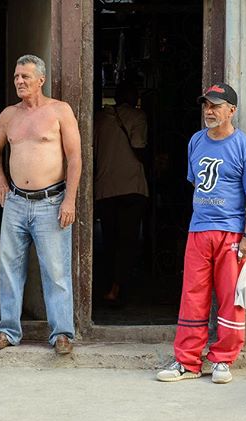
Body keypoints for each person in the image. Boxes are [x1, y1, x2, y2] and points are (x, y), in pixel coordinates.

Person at [156, 83, 246, 384]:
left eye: (216, 105)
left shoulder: (245, 146)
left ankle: (223, 360)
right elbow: (196, 183)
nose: (209, 111)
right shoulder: (195, 142)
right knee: (193, 296)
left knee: (231, 298)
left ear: (232, 110)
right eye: (206, 105)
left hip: (231, 232)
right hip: (199, 230)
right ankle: (187, 362)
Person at [0, 55, 82, 354]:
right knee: (9, 268)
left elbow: (75, 157)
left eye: (25, 76)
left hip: (51, 202)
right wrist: (0, 178)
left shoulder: (59, 111)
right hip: (15, 201)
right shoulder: (8, 115)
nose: (19, 81)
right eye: (16, 76)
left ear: (41, 79)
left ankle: (62, 334)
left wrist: (70, 199)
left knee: (56, 270)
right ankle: (8, 331)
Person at [93, 81, 148, 303]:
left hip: (106, 187)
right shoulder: (138, 117)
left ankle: (107, 285)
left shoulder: (99, 119)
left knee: (110, 240)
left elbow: (93, 152)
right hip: (131, 188)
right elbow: (139, 146)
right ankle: (118, 288)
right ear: (133, 97)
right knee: (127, 241)